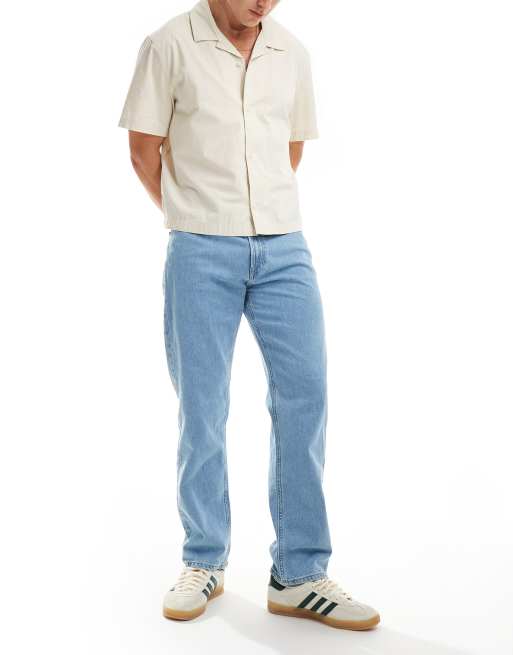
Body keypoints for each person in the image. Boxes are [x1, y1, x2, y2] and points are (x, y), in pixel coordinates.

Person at [118, 0, 380, 630]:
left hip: (285, 246)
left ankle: (298, 574)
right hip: (200, 247)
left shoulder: (292, 52)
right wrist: (192, 215)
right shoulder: (168, 44)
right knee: (203, 406)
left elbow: (289, 149)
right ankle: (203, 559)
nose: (263, 1)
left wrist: (256, 212)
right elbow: (143, 150)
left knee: (306, 397)